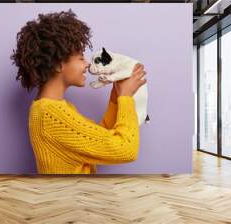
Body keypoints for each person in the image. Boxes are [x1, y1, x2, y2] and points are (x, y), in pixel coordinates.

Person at [12, 10, 147, 174]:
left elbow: (101, 135)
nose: (86, 65)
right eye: (81, 58)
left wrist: (115, 98)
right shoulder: (50, 115)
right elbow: (126, 149)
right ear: (58, 64)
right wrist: (126, 98)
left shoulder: (53, 108)